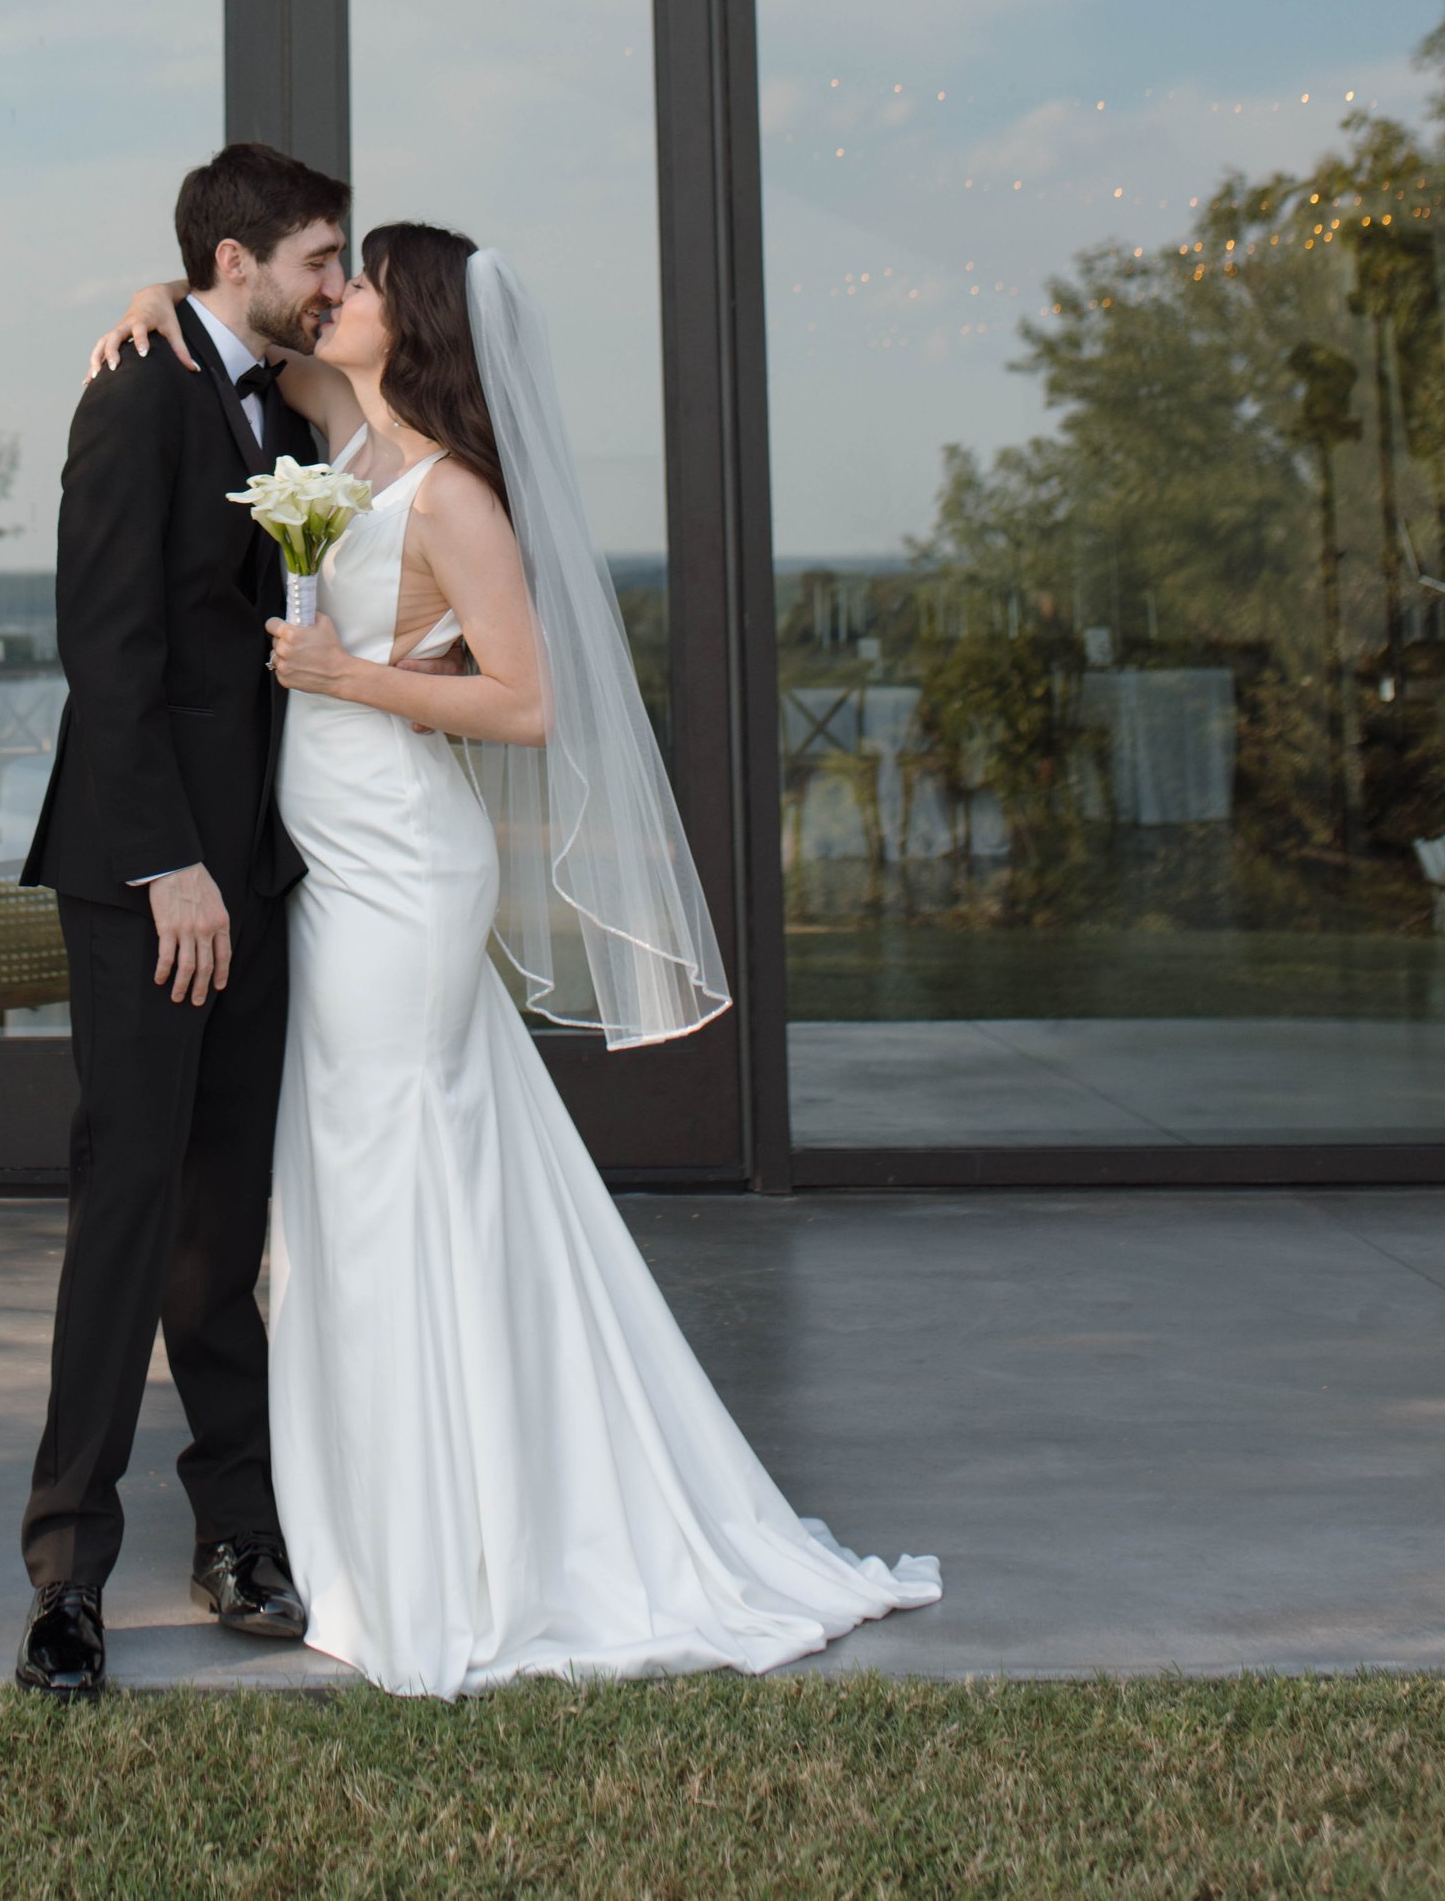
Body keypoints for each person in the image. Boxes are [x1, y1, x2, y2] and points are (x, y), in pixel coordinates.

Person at [85, 218, 940, 1698]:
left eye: (357, 284)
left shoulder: (453, 494)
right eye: (325, 276)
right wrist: (153, 295)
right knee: (345, 1172)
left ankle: (451, 1532)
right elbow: (245, 332)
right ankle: (366, 1502)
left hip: (404, 871)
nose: (330, 295)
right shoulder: (336, 435)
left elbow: (529, 702)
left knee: (391, 1161)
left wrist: (351, 677)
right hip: (328, 863)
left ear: (409, 325)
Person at [13, 139, 351, 1699]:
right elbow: (108, 640)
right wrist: (167, 866)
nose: (334, 286)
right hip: (151, 880)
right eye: (318, 260)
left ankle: (238, 1535)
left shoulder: (274, 398)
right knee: (130, 1206)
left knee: (228, 1219)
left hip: (259, 874)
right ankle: (69, 1575)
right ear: (240, 264)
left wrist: (239, 867)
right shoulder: (137, 391)